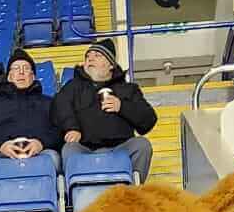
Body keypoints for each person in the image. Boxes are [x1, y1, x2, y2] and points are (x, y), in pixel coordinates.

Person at [50, 36, 157, 182]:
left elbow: (149, 120)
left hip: (121, 148)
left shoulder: (128, 89)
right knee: (69, 149)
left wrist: (122, 107)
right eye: (88, 56)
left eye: (97, 56)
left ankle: (132, 193)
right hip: (85, 148)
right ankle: (75, 195)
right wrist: (71, 128)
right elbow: (60, 106)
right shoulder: (73, 87)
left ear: (111, 64)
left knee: (142, 145)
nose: (90, 59)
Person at [0, 48, 56, 175]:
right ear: (9, 76)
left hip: (40, 152)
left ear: (33, 76)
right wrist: (0, 146)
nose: (21, 72)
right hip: (2, 154)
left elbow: (58, 131)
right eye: (16, 68)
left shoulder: (49, 102)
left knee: (53, 159)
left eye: (26, 68)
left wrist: (41, 143)